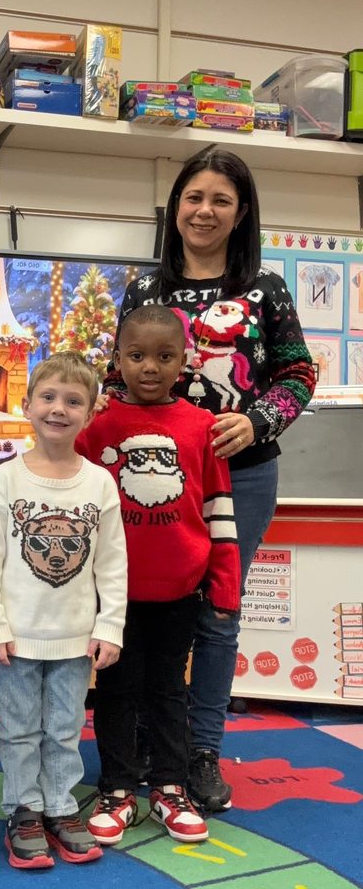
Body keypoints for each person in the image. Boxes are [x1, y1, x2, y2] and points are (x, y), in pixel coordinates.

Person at [104, 146, 316, 812]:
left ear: (241, 211)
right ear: (176, 207)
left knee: (218, 614)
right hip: (149, 480)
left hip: (242, 478)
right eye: (194, 197)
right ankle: (140, 741)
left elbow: (298, 374)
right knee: (144, 609)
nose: (205, 210)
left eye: (221, 199)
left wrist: (256, 422)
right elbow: (115, 378)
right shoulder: (145, 289)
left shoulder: (265, 289)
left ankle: (199, 753)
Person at [78, 306, 240, 844]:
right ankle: (118, 788)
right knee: (118, 690)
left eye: (164, 356)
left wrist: (225, 585)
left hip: (179, 590)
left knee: (170, 690)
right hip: (112, 595)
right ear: (118, 359)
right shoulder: (96, 427)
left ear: (185, 361)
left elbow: (218, 510)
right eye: (137, 355)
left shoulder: (202, 429)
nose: (150, 367)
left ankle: (171, 787)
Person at [0, 352, 127, 869]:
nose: (58, 409)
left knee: (64, 727)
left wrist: (110, 626)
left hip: (75, 635)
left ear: (91, 411)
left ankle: (61, 805)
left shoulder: (99, 483)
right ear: (27, 403)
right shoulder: (5, 479)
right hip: (17, 635)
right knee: (18, 726)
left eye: (73, 400)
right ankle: (24, 809)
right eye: (48, 396)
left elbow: (112, 564)